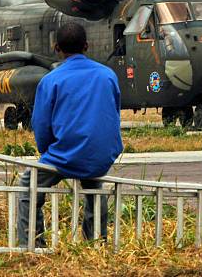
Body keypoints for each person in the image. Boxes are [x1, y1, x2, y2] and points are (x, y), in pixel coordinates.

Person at [17, 22, 123, 246]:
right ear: (87, 45)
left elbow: (41, 125)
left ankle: (32, 245)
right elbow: (113, 113)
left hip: (65, 154)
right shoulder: (107, 76)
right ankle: (95, 242)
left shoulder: (51, 80)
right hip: (101, 154)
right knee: (94, 185)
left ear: (57, 48)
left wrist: (48, 152)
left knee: (28, 185)